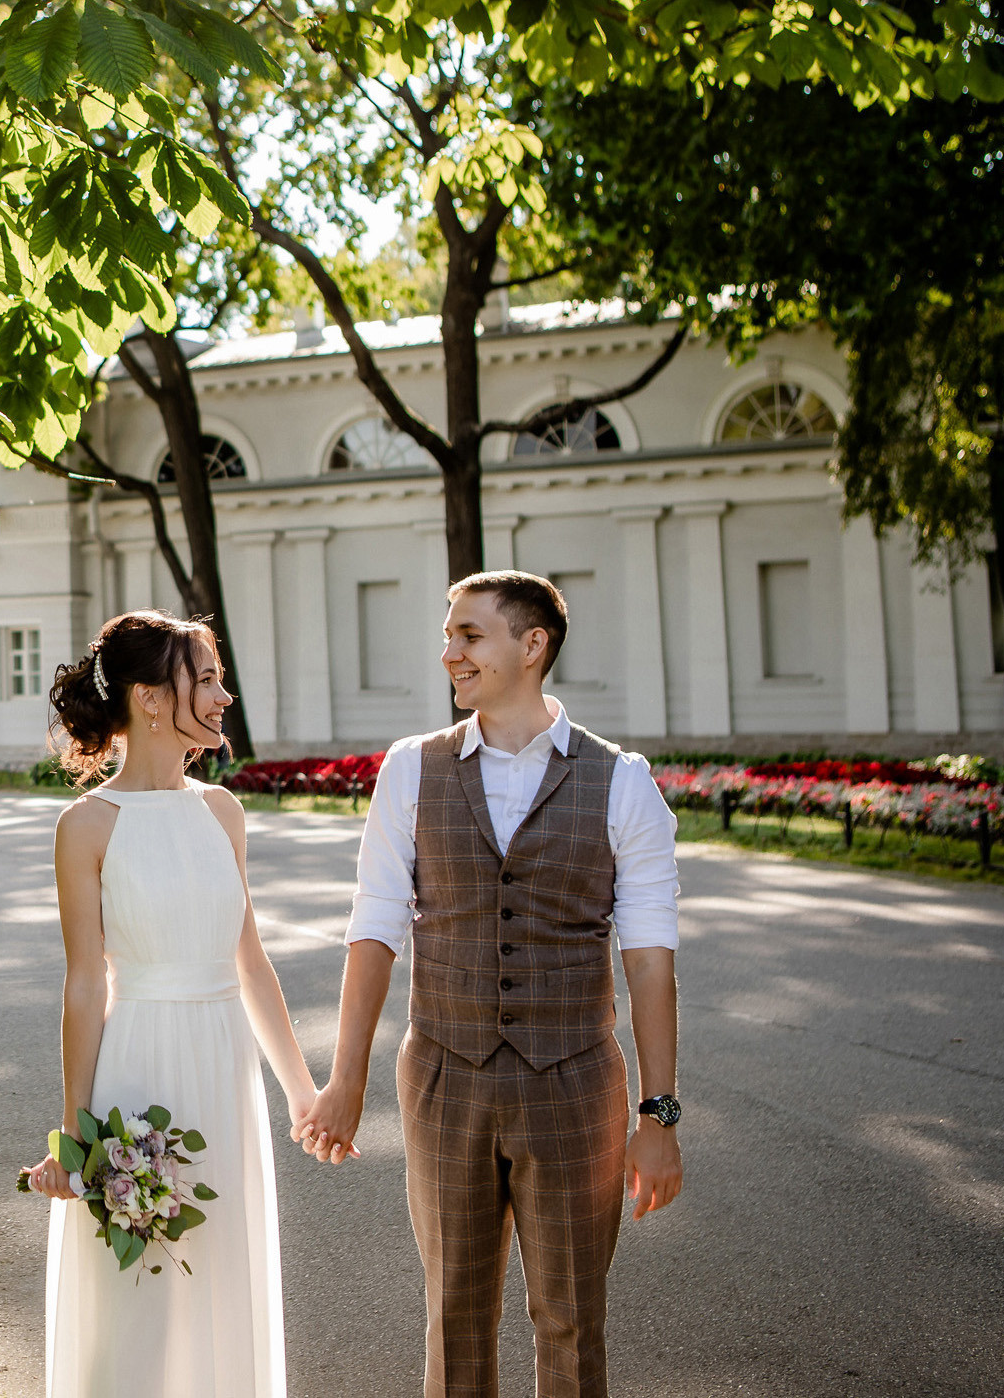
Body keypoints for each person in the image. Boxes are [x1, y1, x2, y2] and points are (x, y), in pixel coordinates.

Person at [296, 571, 684, 1398]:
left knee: (574, 1321)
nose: (450, 652)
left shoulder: (623, 782)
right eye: (450, 635)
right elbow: (374, 925)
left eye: (469, 635)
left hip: (576, 1084)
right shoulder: (410, 770)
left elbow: (649, 960)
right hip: (445, 1078)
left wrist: (659, 1113)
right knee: (454, 1318)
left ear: (532, 644)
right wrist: (345, 1075)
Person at [22, 610, 319, 1397]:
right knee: (141, 1301)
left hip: (225, 1077)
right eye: (208, 677)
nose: (224, 694)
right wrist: (72, 1137)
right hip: (140, 1075)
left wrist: (302, 1093)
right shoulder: (85, 825)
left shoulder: (222, 809)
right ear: (152, 699)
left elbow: (249, 961)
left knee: (221, 1276)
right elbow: (85, 983)